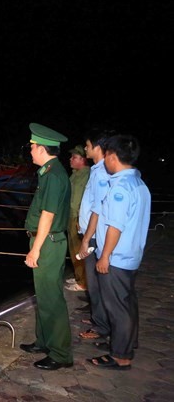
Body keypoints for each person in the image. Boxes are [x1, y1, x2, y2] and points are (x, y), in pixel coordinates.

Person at [86, 134, 150, 370]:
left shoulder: (120, 187)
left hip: (116, 258)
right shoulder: (139, 184)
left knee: (117, 308)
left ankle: (121, 356)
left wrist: (104, 256)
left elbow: (115, 226)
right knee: (127, 302)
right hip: (131, 256)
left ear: (112, 156)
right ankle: (126, 343)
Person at [19, 123, 73, 371]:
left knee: (51, 299)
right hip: (47, 240)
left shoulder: (53, 175)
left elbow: (48, 215)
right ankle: (44, 341)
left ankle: (61, 354)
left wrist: (36, 249)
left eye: (32, 147)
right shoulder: (51, 171)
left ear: (41, 148)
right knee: (43, 295)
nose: (30, 151)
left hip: (48, 242)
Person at [77, 129, 115, 342]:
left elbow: (97, 210)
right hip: (89, 233)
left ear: (98, 147)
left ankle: (101, 326)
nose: (85, 149)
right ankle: (98, 319)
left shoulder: (101, 173)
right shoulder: (97, 170)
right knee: (94, 283)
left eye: (88, 145)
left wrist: (85, 239)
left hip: (93, 237)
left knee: (95, 283)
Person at [65, 145, 90, 292]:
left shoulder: (87, 175)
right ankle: (79, 277)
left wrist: (81, 220)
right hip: (70, 216)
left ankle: (83, 283)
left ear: (82, 160)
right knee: (73, 250)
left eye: (74, 157)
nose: (70, 159)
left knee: (78, 251)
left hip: (78, 219)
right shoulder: (75, 174)